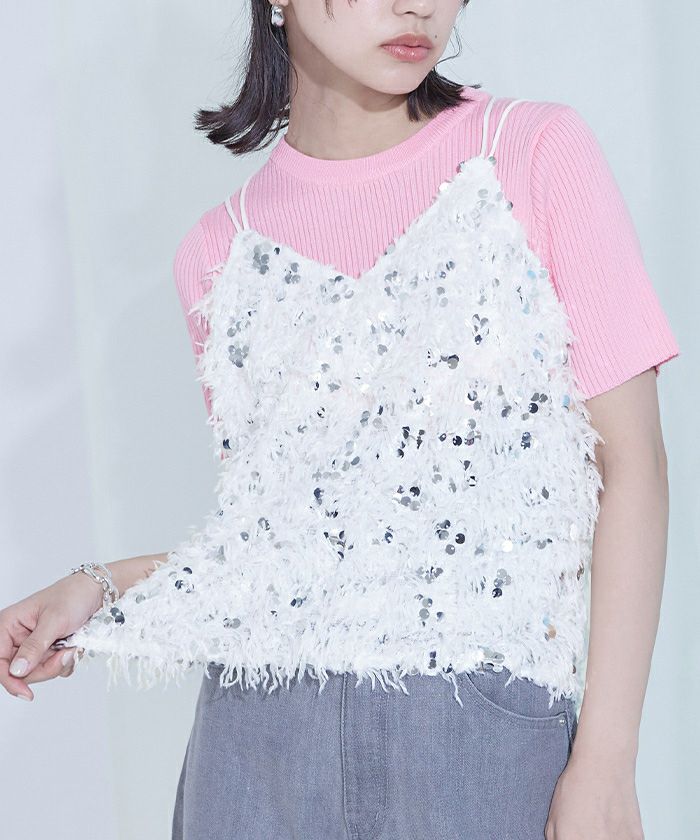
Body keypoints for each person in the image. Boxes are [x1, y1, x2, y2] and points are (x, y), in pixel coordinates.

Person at [0, 2, 680, 839]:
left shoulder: (532, 152)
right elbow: (298, 549)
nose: (418, 5)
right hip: (254, 756)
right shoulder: (218, 252)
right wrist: (101, 588)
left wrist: (607, 759)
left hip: (479, 744)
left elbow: (634, 469)